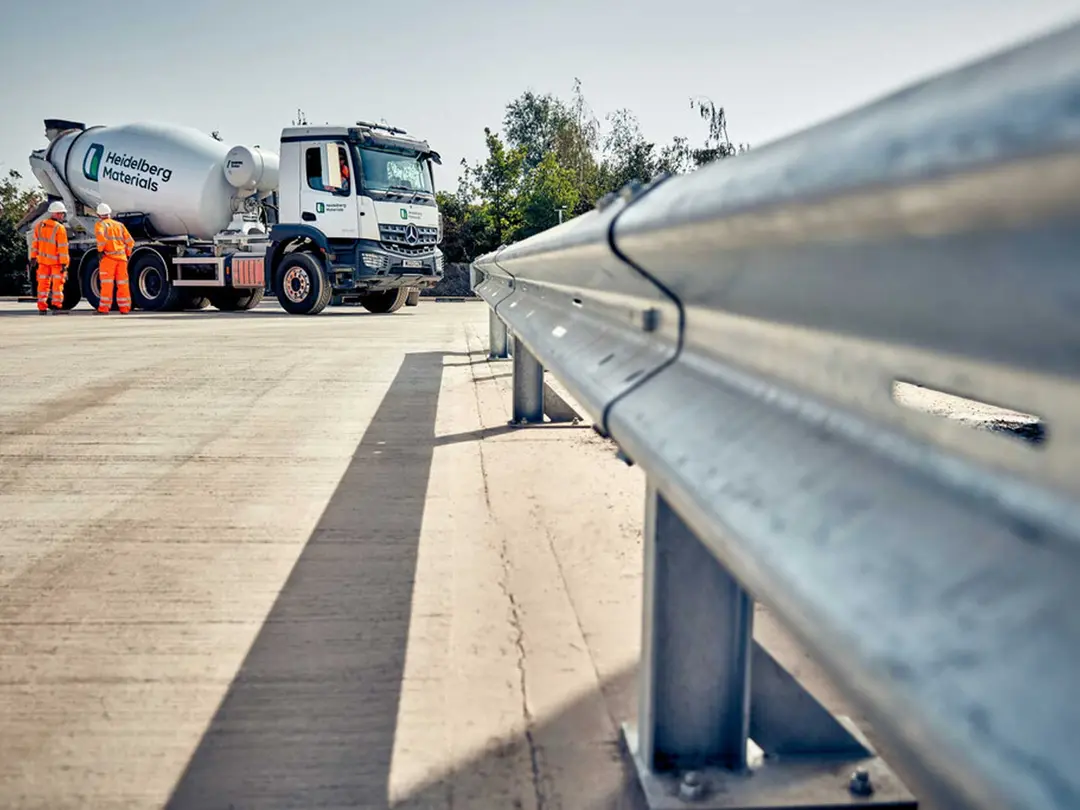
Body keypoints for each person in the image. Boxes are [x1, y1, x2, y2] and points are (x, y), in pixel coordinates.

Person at [29, 201, 70, 314]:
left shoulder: (39, 226)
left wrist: (33, 258)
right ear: (56, 214)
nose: (62, 216)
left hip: (42, 262)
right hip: (56, 262)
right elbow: (62, 248)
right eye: (61, 213)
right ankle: (57, 306)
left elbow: (35, 244)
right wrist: (64, 264)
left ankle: (42, 307)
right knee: (57, 285)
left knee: (42, 285)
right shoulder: (59, 228)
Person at [94, 203, 135, 314]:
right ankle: (125, 308)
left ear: (98, 214)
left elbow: (101, 240)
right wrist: (126, 254)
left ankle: (104, 309)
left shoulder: (100, 225)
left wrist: (100, 251)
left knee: (107, 284)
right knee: (123, 284)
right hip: (121, 259)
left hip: (108, 258)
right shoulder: (119, 225)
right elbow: (130, 242)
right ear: (109, 213)